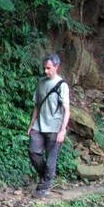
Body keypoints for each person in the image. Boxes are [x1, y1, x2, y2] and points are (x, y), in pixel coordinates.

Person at [26, 53, 70, 198]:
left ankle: (44, 187)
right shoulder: (41, 82)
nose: (46, 71)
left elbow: (66, 110)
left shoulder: (62, 85)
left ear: (56, 67)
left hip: (54, 127)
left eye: (49, 68)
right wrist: (31, 124)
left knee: (51, 160)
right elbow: (37, 105)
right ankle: (47, 177)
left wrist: (62, 130)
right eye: (44, 68)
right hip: (39, 125)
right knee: (33, 151)